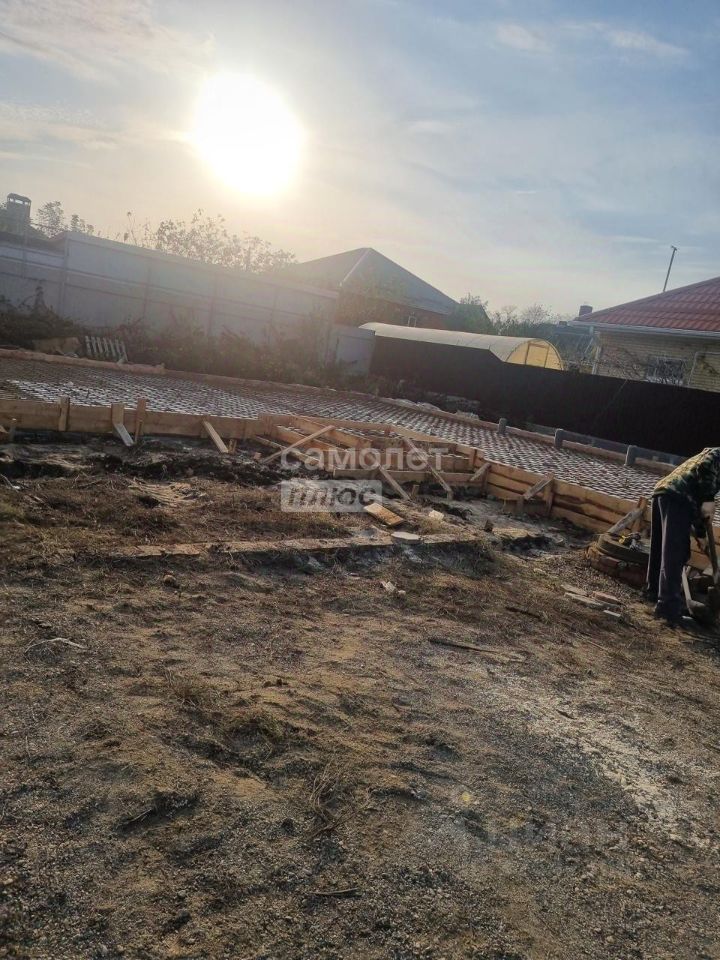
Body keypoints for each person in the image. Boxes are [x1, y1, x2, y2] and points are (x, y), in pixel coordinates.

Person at [646, 447, 720, 626]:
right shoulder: (717, 454)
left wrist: (701, 535)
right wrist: (709, 498)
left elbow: (697, 502)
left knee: (661, 549)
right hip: (678, 496)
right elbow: (704, 467)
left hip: (664, 492)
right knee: (675, 553)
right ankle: (668, 609)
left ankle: (653, 594)